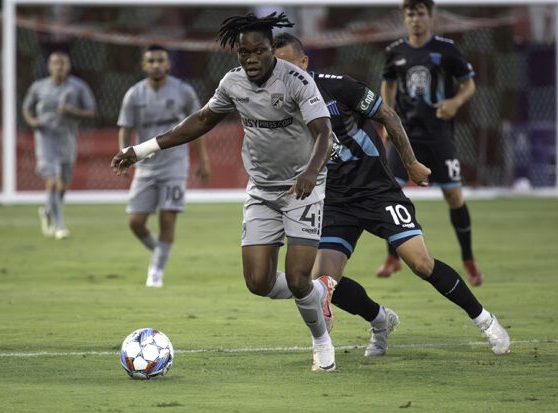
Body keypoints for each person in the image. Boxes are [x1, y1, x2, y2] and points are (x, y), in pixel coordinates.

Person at [111, 13, 338, 371]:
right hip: (262, 189)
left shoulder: (296, 80)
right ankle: (319, 292)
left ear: (271, 51)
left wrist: (311, 171)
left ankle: (321, 341)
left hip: (302, 187)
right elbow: (200, 121)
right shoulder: (233, 83)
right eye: (243, 52)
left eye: (259, 51)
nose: (251, 59)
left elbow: (324, 132)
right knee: (257, 282)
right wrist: (140, 150)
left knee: (296, 279)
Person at [273, 32, 510, 356]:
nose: (283, 75)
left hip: (377, 191)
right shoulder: (278, 105)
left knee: (421, 263)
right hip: (336, 200)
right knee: (325, 280)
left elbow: (388, 114)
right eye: (277, 68)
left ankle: (484, 319)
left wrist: (410, 163)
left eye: (289, 66)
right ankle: (380, 319)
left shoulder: (338, 85)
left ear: (304, 62)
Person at [378, 0, 483, 286]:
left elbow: (469, 84)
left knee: (454, 197)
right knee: (390, 193)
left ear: (430, 16)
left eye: (420, 13)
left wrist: (455, 102)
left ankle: (469, 260)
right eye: (410, 14)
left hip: (439, 136)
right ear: (404, 17)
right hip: (405, 136)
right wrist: (388, 119)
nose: (415, 19)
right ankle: (392, 257)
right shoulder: (394, 52)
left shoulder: (447, 49)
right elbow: (386, 84)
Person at [117, 45, 211, 288]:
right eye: (151, 60)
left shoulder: (184, 92)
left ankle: (156, 271)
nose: (156, 64)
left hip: (175, 166)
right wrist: (125, 157)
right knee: (135, 222)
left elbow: (199, 126)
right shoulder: (134, 95)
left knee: (167, 221)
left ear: (168, 64)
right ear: (144, 65)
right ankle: (160, 253)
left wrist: (204, 160)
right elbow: (125, 129)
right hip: (145, 167)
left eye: (160, 60)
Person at [22, 50, 96, 239]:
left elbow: (91, 111)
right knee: (53, 183)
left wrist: (72, 112)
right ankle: (59, 226)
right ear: (49, 66)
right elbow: (26, 108)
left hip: (68, 139)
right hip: (46, 138)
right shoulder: (39, 87)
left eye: (63, 63)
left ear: (69, 66)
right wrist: (32, 122)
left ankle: (48, 210)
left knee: (63, 185)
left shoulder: (78, 87)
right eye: (55, 62)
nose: (59, 66)